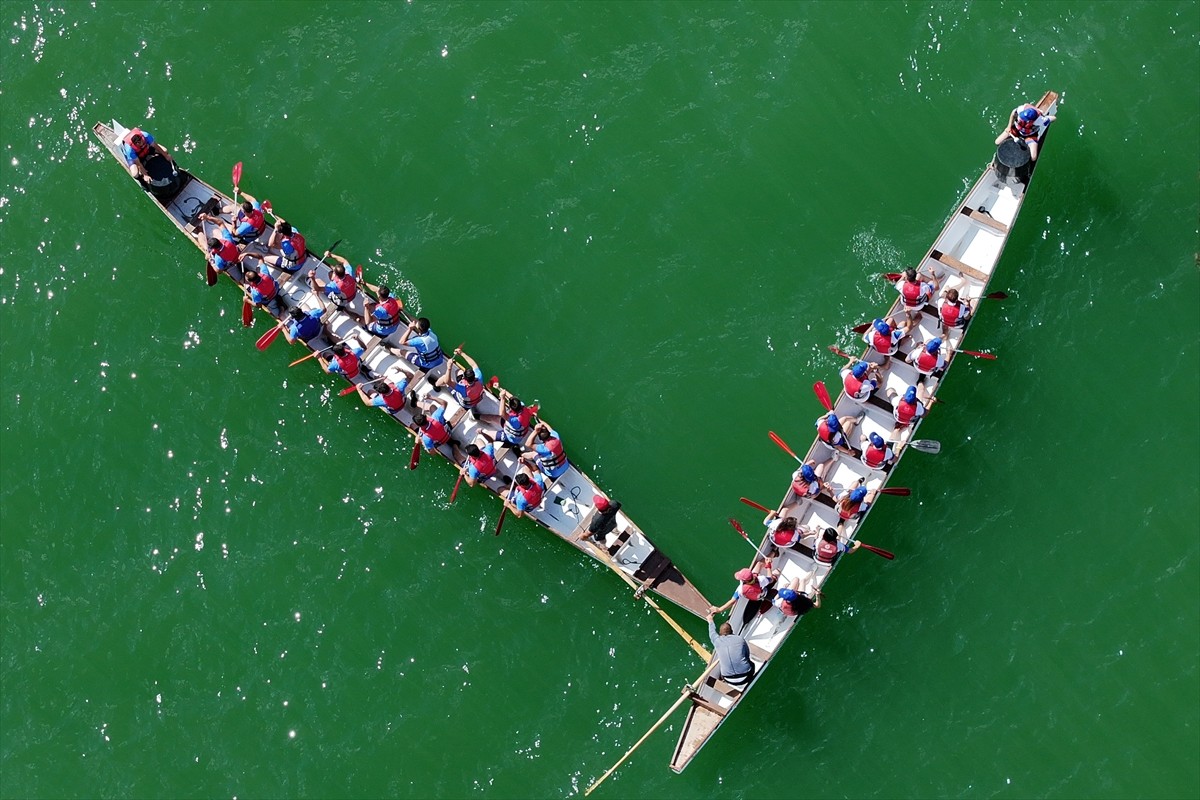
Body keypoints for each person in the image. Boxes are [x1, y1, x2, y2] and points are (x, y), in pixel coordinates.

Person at [119, 127, 178, 195]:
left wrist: (166, 156)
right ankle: (143, 184)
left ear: (142, 137)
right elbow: (138, 163)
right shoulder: (130, 150)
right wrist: (145, 175)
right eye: (136, 143)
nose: (139, 143)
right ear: (134, 144)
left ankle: (172, 165)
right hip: (137, 157)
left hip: (146, 149)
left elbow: (156, 146)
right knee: (135, 174)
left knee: (165, 150)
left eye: (140, 140)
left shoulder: (146, 135)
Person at [704, 612, 755, 688]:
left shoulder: (716, 641)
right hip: (746, 676)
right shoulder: (740, 639)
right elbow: (747, 655)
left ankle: (725, 680)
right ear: (732, 631)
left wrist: (710, 620)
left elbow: (712, 632)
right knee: (752, 664)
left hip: (728, 679)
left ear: (720, 633)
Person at [436, 351, 485, 420]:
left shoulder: (463, 389)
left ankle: (436, 385)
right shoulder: (479, 377)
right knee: (459, 372)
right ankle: (473, 407)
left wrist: (449, 368)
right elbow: (474, 365)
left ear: (464, 378)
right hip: (476, 400)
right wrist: (462, 353)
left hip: (465, 403)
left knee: (444, 377)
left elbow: (448, 381)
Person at [495, 390, 535, 455]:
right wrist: (500, 389)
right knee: (498, 419)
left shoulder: (515, 420)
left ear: (511, 408)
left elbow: (502, 414)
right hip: (519, 436)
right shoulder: (523, 407)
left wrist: (502, 398)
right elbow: (512, 397)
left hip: (510, 438)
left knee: (488, 430)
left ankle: (477, 417)